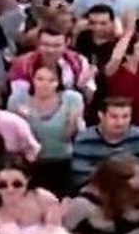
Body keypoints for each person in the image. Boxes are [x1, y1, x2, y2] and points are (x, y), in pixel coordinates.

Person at [6, 63, 84, 196]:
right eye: (40, 79)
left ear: (58, 82)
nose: (44, 84)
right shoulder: (17, 100)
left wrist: (74, 122)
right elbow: (12, 136)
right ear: (32, 79)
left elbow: (68, 136)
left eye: (51, 80)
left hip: (62, 162)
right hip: (29, 164)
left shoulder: (71, 99)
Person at [70, 97, 139, 189]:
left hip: (133, 192)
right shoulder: (84, 140)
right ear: (101, 115)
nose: (120, 122)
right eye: (114, 117)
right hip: (97, 191)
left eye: (125, 116)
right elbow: (80, 178)